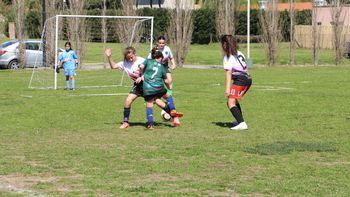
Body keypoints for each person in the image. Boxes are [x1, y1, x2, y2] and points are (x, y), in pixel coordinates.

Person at [104, 46, 181, 129]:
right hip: (138, 86)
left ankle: (174, 117)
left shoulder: (141, 60)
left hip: (147, 85)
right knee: (127, 101)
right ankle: (126, 122)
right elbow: (113, 66)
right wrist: (109, 57)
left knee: (159, 103)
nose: (130, 59)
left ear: (134, 54)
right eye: (128, 58)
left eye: (131, 57)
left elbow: (150, 70)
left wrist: (142, 77)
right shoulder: (125, 63)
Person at [136, 49, 183, 129]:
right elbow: (166, 81)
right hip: (158, 87)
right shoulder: (161, 67)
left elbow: (141, 66)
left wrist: (142, 74)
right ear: (160, 57)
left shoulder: (147, 61)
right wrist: (169, 87)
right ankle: (172, 110)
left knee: (149, 105)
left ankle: (150, 124)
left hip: (147, 88)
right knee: (168, 96)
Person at [221, 35, 252, 130]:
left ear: (225, 44)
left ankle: (242, 123)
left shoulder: (228, 57)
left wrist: (227, 88)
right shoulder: (239, 53)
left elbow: (229, 73)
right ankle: (239, 121)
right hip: (248, 79)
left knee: (230, 102)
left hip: (241, 80)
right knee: (234, 100)